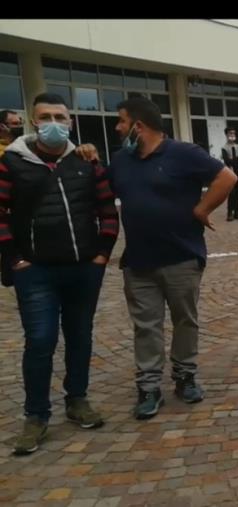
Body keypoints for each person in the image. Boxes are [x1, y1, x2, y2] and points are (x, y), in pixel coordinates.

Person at [1, 93, 119, 455]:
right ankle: (36, 416)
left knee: (80, 336)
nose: (54, 123)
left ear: (70, 121)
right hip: (35, 272)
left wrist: (102, 254)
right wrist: (15, 259)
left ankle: (77, 399)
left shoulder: (86, 162)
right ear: (33, 121)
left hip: (84, 268)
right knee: (40, 341)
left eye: (60, 116)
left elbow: (107, 210)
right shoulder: (12, 163)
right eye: (46, 116)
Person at [109, 97, 237, 420]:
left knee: (185, 320)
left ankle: (185, 376)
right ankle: (149, 387)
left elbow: (228, 178)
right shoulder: (120, 162)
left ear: (138, 126)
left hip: (182, 257)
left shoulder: (184, 154)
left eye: (122, 122)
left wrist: (202, 209)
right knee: (146, 327)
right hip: (138, 262)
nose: (117, 128)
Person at [221, 127, 238, 221]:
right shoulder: (224, 148)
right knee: (231, 193)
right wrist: (236, 160)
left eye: (233, 133)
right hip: (230, 173)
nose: (232, 135)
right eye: (230, 134)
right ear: (226, 135)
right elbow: (227, 161)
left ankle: (237, 212)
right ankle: (229, 213)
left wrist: (235, 160)